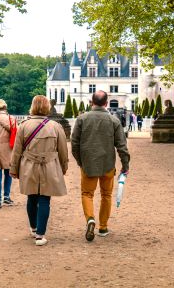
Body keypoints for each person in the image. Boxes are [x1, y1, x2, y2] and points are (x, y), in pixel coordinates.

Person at [71, 90, 130, 241]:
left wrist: (80, 161)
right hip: (107, 163)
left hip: (88, 163)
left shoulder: (81, 119)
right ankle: (103, 227)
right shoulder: (114, 120)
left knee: (87, 194)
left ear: (91, 102)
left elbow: (75, 144)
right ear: (106, 103)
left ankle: (90, 219)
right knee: (106, 195)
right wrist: (125, 164)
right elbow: (122, 146)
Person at [10, 95, 68, 246]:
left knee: (32, 197)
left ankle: (34, 228)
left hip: (29, 165)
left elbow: (17, 150)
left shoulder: (24, 125)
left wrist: (14, 168)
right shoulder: (56, 126)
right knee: (45, 199)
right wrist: (64, 167)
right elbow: (63, 150)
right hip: (49, 165)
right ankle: (40, 235)